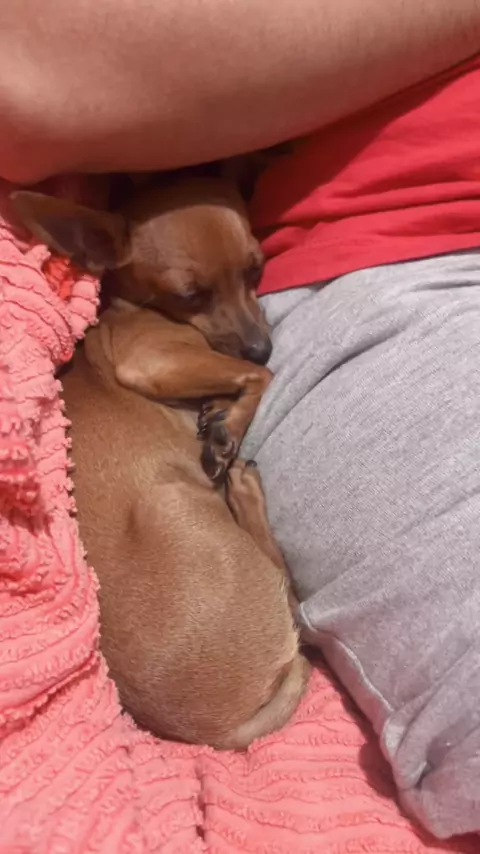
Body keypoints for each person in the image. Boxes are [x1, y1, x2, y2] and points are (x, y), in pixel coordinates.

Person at [2, 0, 480, 840]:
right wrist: (247, 383)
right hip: (397, 266)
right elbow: (147, 365)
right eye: (195, 297)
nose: (250, 329)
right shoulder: (134, 332)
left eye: (246, 280)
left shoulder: (198, 264)